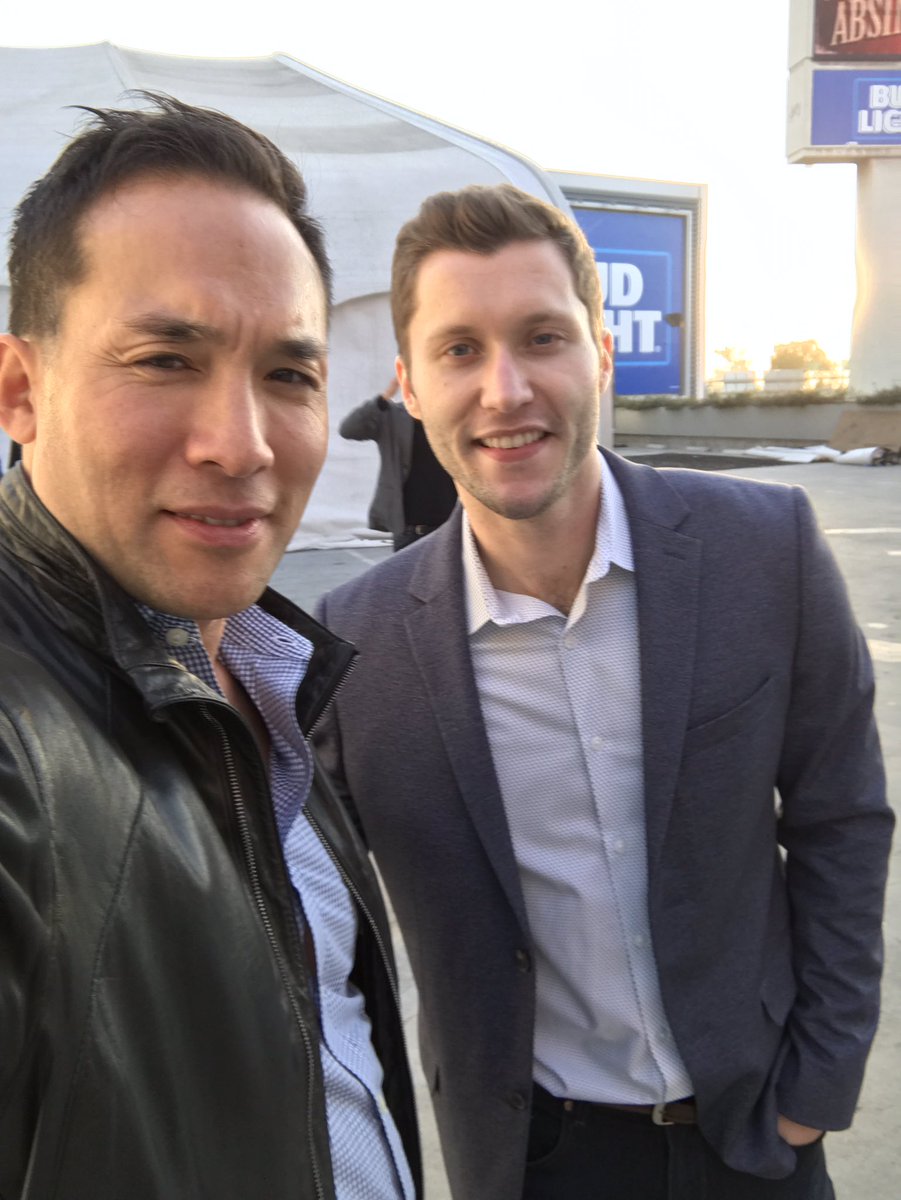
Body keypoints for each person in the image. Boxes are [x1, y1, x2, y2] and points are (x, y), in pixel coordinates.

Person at [313, 184, 893, 1200]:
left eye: (542, 337)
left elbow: (840, 820)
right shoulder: (354, 646)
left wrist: (821, 1079)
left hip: (759, 1132)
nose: (504, 390)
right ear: (407, 384)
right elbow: (304, 917)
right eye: (459, 350)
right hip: (536, 1158)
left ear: (602, 353)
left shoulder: (765, 552)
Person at [0, 94, 420, 1199]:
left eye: (288, 375)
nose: (242, 446)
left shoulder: (268, 671)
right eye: (163, 359)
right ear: (21, 391)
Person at [339, 374, 457, 550]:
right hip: (410, 530)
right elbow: (349, 430)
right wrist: (383, 398)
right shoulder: (392, 416)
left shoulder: (451, 417)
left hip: (451, 526)